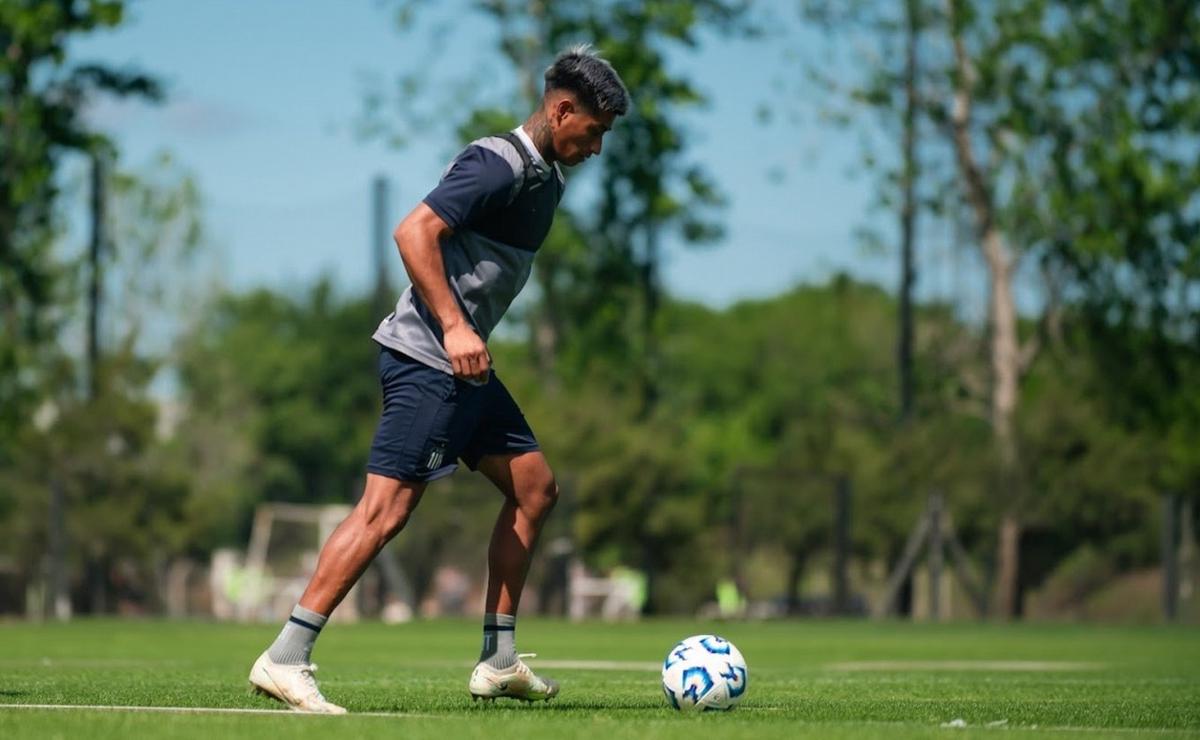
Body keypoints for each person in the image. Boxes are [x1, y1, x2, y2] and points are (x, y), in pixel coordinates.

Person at [247, 44, 629, 714]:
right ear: (562, 110)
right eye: (593, 132)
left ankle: (498, 660)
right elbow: (413, 232)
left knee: (535, 488)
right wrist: (455, 327)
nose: (597, 148)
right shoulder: (497, 162)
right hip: (429, 358)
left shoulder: (547, 179)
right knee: (386, 510)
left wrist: (466, 338)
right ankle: (286, 656)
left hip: (465, 368)